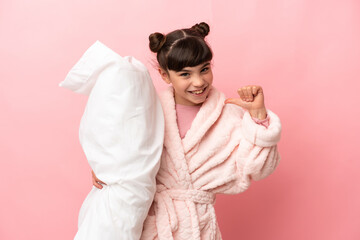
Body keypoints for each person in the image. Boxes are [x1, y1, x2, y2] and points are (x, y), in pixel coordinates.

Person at [92, 22, 282, 240]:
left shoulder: (228, 114)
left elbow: (259, 168)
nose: (199, 82)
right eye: (185, 74)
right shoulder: (148, 110)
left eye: (205, 69)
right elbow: (124, 149)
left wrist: (258, 115)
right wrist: (104, 164)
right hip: (149, 225)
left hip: (198, 227)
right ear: (165, 76)